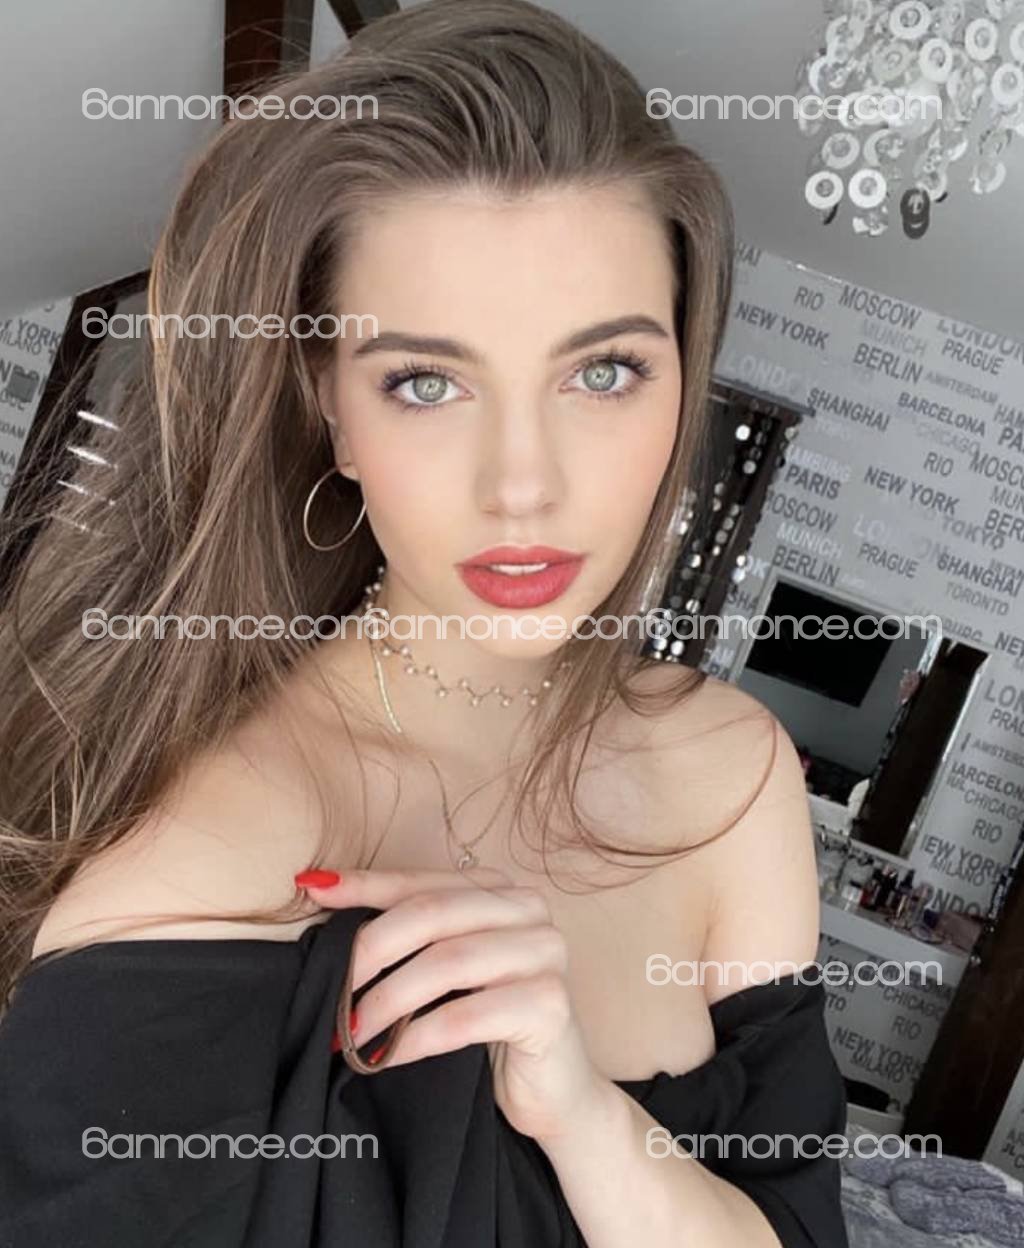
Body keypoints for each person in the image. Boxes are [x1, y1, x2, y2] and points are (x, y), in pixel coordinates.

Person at [0, 2, 848, 1244]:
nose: (524, 486)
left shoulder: (732, 771)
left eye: (602, 372)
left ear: (683, 381)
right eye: (426, 382)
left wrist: (581, 1116)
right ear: (331, 411)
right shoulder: (208, 870)